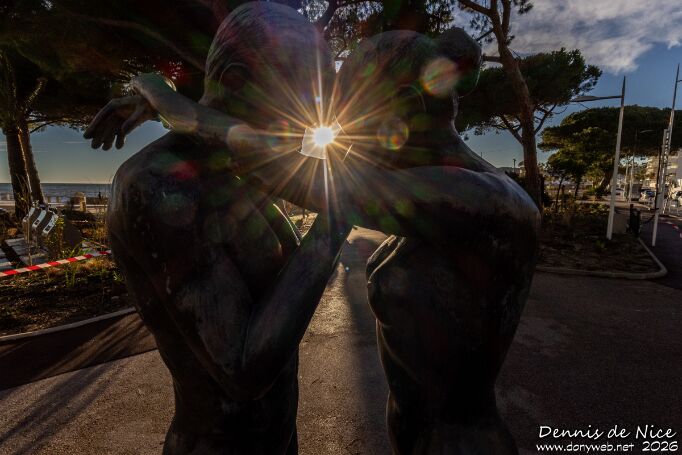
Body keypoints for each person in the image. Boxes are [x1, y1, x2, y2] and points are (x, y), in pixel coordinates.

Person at [85, 3, 347, 454]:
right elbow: (242, 368)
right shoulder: (156, 183)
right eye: (301, 99)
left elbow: (351, 181)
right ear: (237, 81)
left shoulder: (244, 170)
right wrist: (331, 230)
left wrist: (168, 99)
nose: (310, 121)